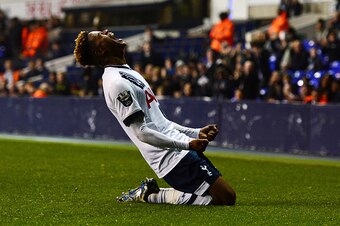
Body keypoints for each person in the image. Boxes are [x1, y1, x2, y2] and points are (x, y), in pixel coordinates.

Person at [74, 29, 236, 206]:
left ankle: (151, 192)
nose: (107, 31)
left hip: (181, 146)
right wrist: (186, 144)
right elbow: (142, 132)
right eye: (101, 35)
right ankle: (152, 195)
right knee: (226, 198)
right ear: (101, 51)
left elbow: (161, 123)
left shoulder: (129, 73)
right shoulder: (116, 83)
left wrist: (195, 133)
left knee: (221, 196)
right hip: (170, 158)